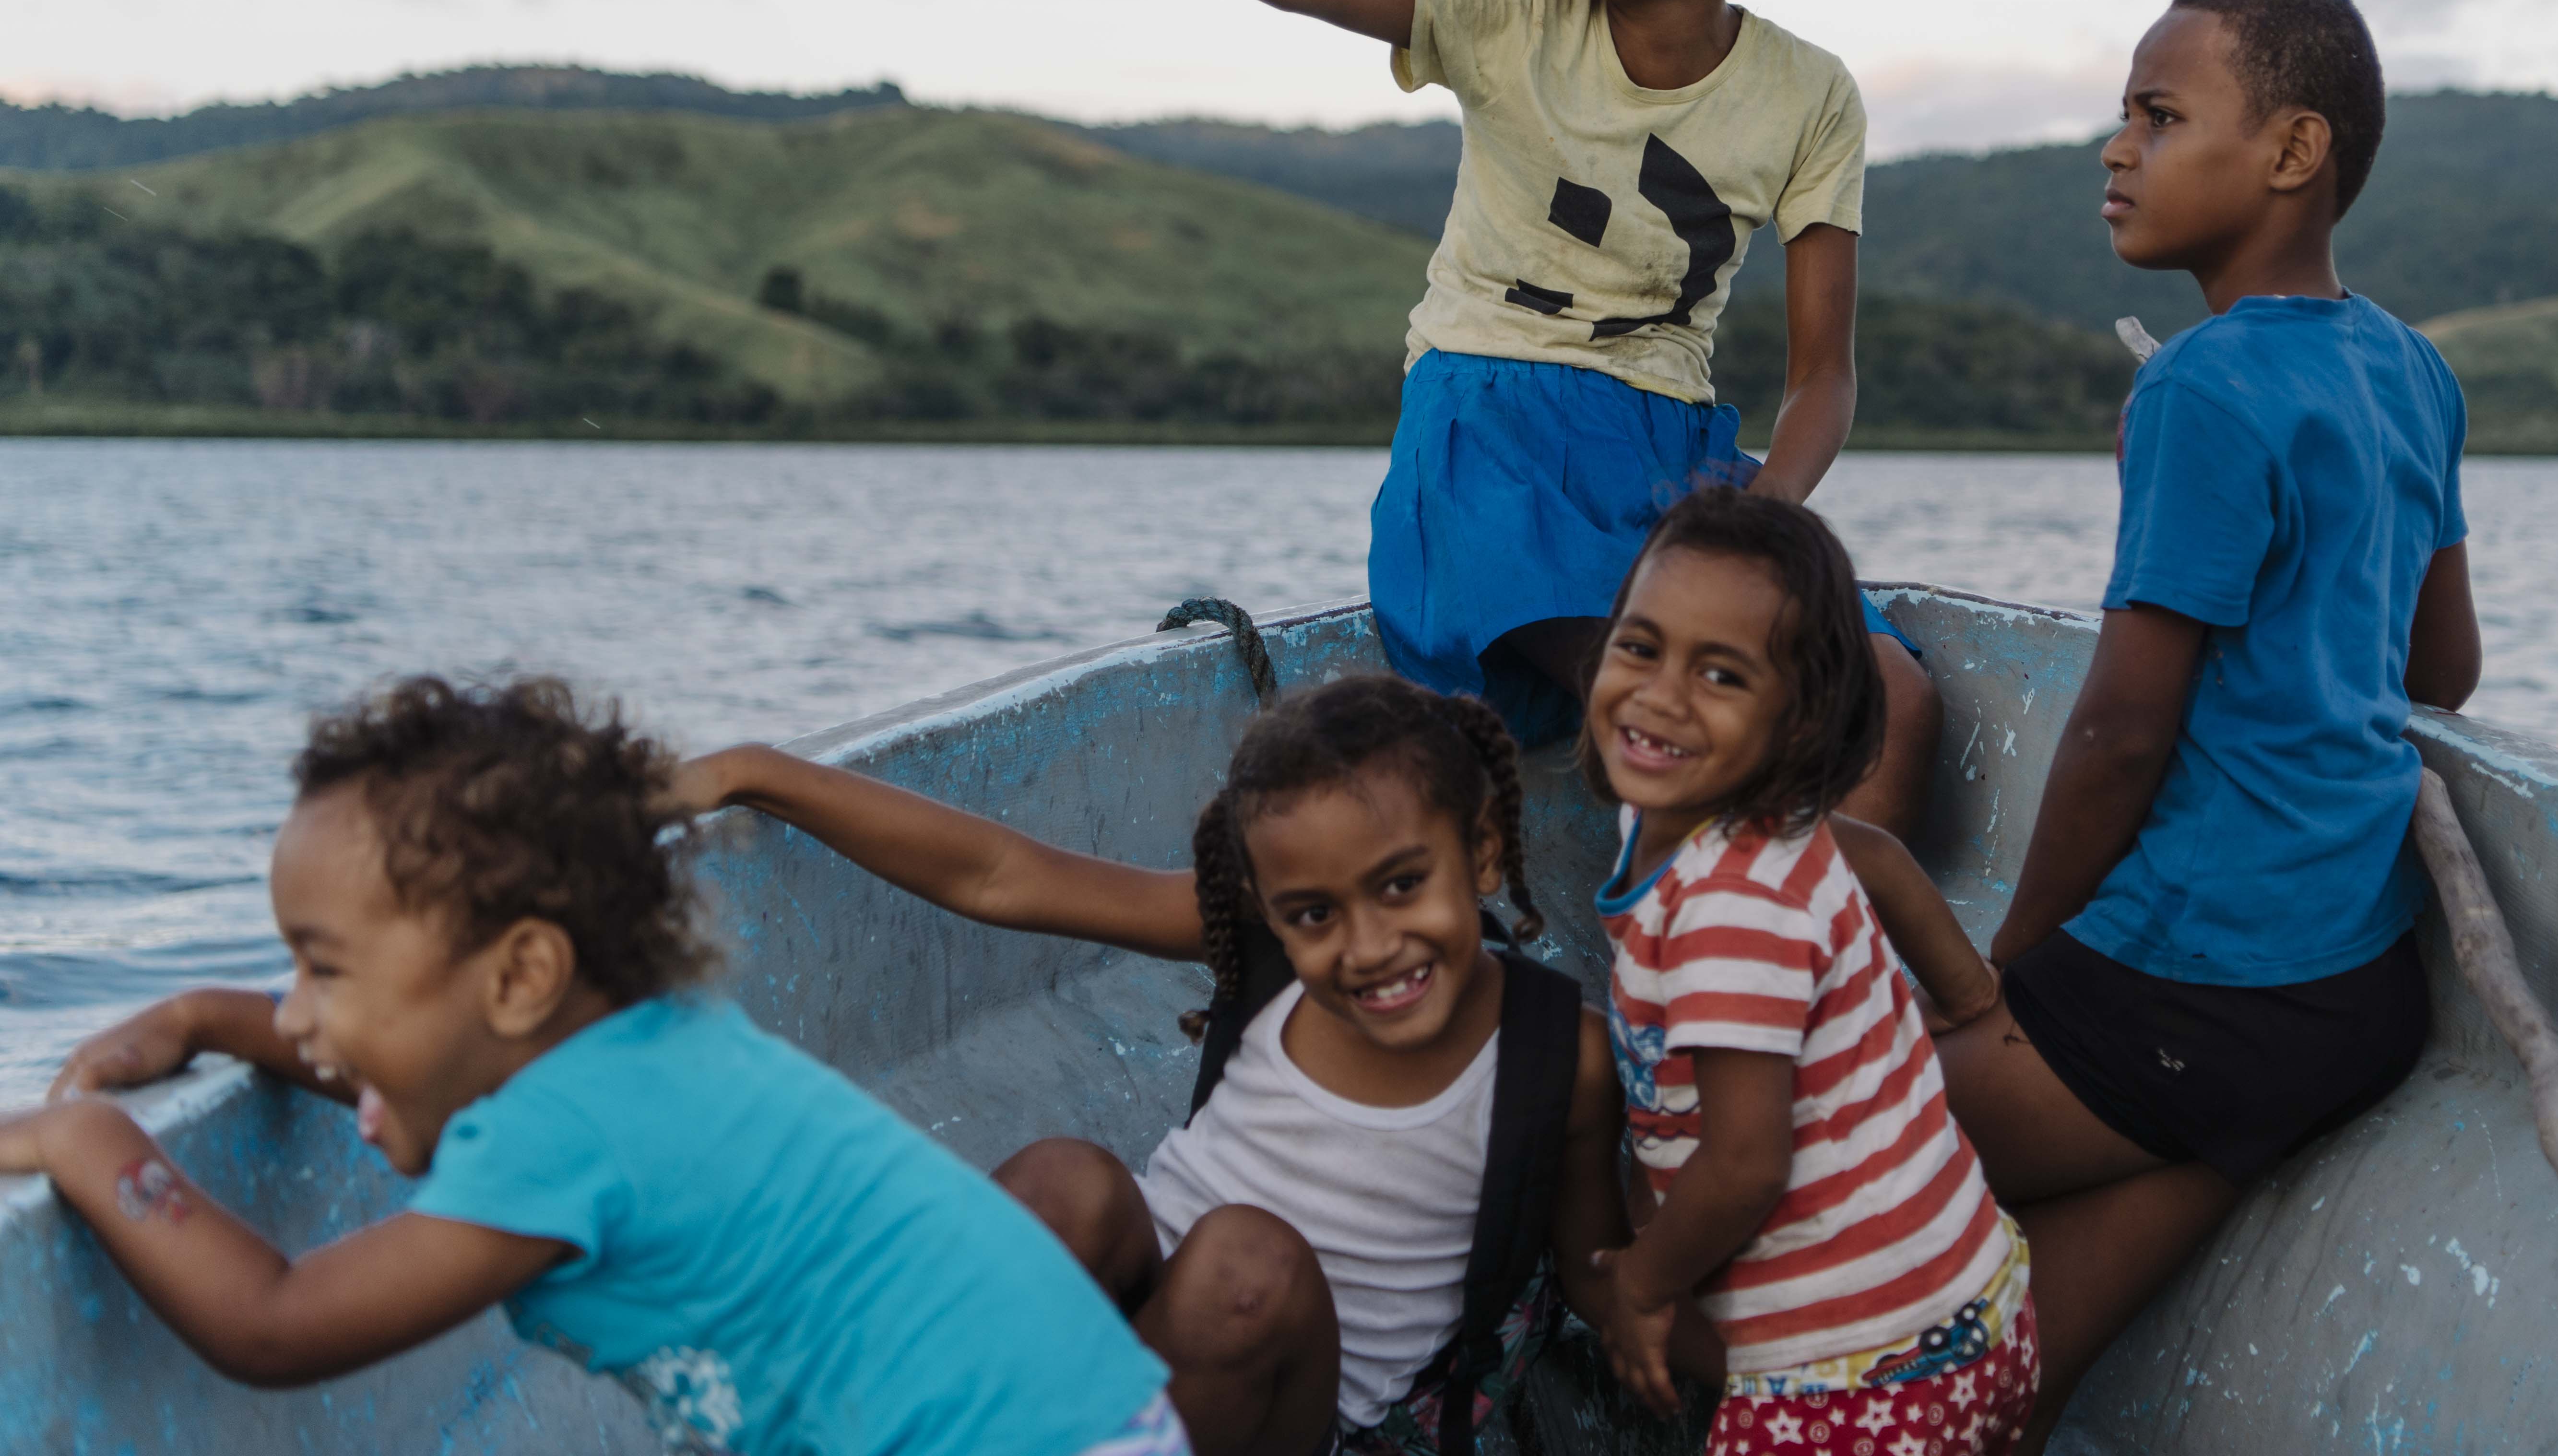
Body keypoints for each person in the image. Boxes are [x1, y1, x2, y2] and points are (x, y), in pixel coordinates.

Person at [905, 0, 1942, 836]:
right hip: (1488, 435)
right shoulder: (1508, 16)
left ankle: (1850, 992)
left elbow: (1822, 377)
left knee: (1892, 698)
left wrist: (1765, 518)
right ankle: (1680, 984)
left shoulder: (1810, 94)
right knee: (1672, 700)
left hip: (1671, 458)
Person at [8, 676, 1180, 1456]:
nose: (300, 1012)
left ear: (520, 974)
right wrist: (216, 1016)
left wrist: (90, 1140)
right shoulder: (653, 1047)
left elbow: (275, 1322)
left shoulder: (561, 1138)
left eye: (324, 970)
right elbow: (425, 1063)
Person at [1930, 0, 2481, 1451]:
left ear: (2294, 152)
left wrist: (2015, 973)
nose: (2117, 149)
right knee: (2038, 1333)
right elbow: (2443, 673)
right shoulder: (2410, 368)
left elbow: (2118, 734)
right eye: (2123, 117)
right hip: (2354, 993)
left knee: (1787, 1140)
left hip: (2213, 981)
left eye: (2161, 117)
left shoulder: (2204, 391)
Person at [668, 677, 1625, 1456]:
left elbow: (1595, 1270)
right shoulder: (1267, 946)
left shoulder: (1558, 1055)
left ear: (1485, 848)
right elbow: (1001, 872)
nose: (1367, 943)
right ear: (1270, 903)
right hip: (1142, 1320)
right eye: (1313, 912)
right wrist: (758, 770)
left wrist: (1706, 1338)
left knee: (1246, 1262)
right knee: (1067, 1180)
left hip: (1302, 1413)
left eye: (1402, 884)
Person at [1586, 485, 2034, 1456]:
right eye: (1639, 645)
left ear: (1796, 725)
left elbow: (1746, 1163)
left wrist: (1639, 1282)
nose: (1660, 694)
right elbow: (1873, 849)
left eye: (1719, 674)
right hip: (1972, 1301)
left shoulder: (1724, 907)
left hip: (1860, 1374)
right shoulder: (1719, 809)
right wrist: (1966, 993)